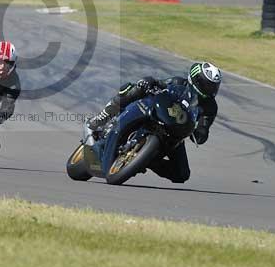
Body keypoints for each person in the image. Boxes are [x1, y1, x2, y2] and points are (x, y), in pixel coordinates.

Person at [87, 61, 222, 183]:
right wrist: (149, 82)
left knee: (182, 174)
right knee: (132, 89)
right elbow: (158, 84)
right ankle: (102, 117)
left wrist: (201, 133)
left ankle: (146, 160)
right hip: (155, 113)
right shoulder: (178, 82)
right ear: (196, 80)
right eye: (208, 85)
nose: (211, 90)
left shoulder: (210, 107)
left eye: (214, 86)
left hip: (175, 133)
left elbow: (205, 126)